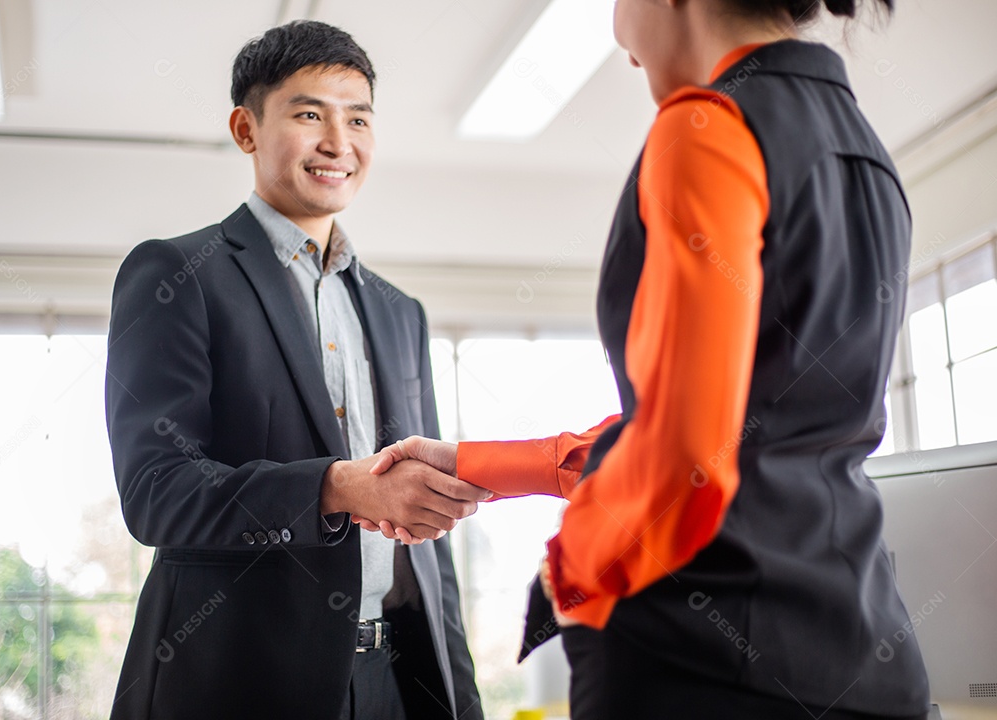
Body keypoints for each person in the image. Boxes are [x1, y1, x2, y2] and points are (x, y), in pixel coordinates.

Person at [360, 0, 932, 717]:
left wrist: (569, 576)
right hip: (865, 651)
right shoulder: (868, 155)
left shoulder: (703, 127)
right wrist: (476, 464)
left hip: (702, 652)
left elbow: (688, 457)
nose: (624, 43)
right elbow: (743, 426)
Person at [104, 20, 487, 720]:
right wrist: (334, 487)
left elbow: (431, 553)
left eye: (358, 119)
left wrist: (460, 700)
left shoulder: (400, 312)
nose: (339, 142)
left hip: (396, 678)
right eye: (309, 115)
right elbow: (157, 491)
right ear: (246, 129)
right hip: (240, 681)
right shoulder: (178, 274)